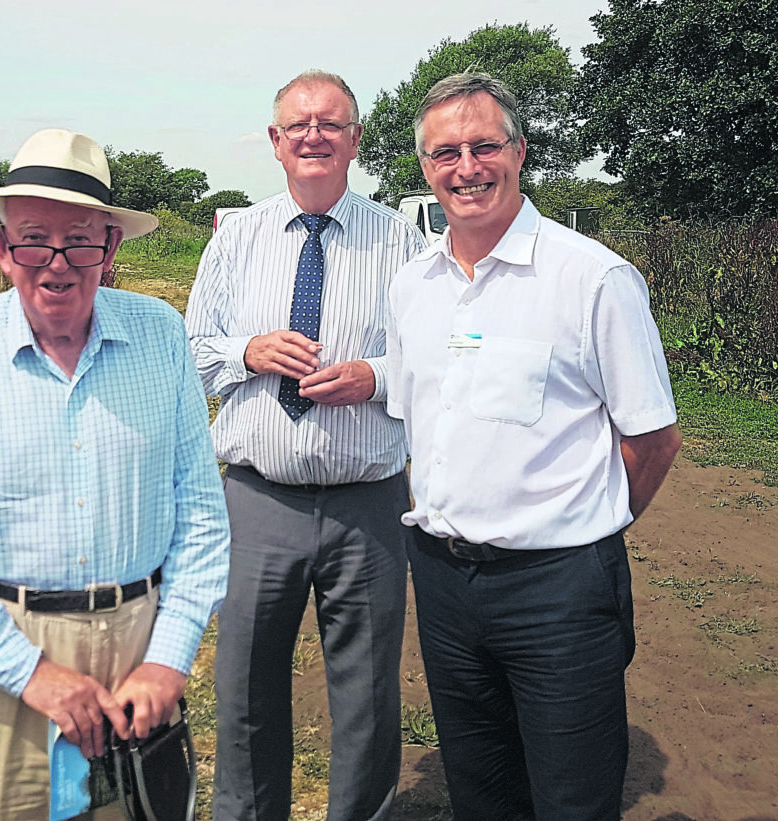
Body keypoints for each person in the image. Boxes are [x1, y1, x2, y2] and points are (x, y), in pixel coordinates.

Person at [0, 128, 230, 821]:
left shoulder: (161, 334)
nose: (58, 264)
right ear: (1, 247)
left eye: (81, 241)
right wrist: (34, 675)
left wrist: (169, 657)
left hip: (140, 654)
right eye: (34, 239)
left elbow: (201, 515)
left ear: (111, 248)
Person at [385, 72, 684, 821]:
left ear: (520, 150)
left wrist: (579, 530)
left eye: (485, 145)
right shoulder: (411, 287)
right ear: (424, 166)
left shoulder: (592, 277)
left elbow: (652, 437)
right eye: (445, 151)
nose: (467, 167)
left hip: (559, 590)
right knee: (481, 792)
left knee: (572, 798)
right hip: (446, 585)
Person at [185, 70, 426, 821]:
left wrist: (374, 377)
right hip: (259, 497)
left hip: (369, 502)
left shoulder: (404, 240)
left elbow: (436, 365)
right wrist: (249, 352)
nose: (314, 136)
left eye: (331, 123)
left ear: (356, 138)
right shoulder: (236, 241)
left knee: (366, 691)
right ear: (275, 141)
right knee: (245, 687)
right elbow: (191, 351)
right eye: (300, 125)